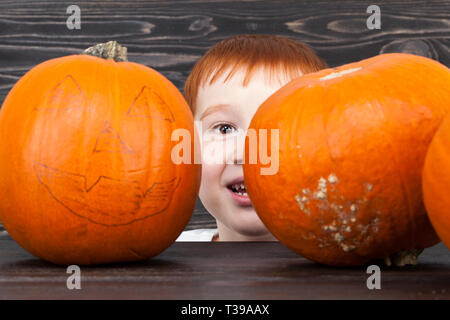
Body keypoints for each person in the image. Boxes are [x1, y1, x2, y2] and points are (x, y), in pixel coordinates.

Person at [177, 34, 327, 241]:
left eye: (278, 129)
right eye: (225, 129)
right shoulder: (167, 256)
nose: (248, 154)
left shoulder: (354, 263)